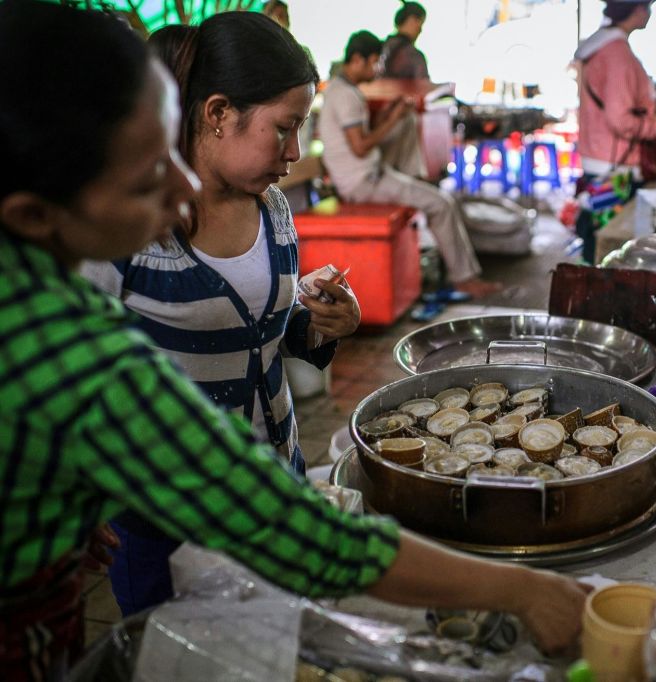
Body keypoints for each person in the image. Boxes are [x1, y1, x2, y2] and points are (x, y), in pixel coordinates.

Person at [0, 3, 588, 679]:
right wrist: (525, 589)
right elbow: (289, 531)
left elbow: (271, 332)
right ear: (34, 214)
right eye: (145, 179)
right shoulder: (77, 355)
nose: (181, 187)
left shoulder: (52, 278)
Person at [80, 11, 355, 617]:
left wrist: (322, 326)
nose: (294, 151)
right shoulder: (131, 229)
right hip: (161, 514)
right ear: (217, 113)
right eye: (284, 128)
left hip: (272, 484)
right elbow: (77, 380)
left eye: (301, 128)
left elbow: (267, 335)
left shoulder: (274, 207)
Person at [320, 31, 499, 298]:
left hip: (366, 173)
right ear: (357, 60)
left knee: (407, 120)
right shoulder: (345, 95)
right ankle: (465, 279)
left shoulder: (342, 88)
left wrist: (392, 115)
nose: (378, 68)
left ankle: (410, 179)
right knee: (442, 204)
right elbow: (360, 147)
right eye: (374, 62)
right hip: (363, 182)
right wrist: (391, 120)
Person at [572, 0, 656, 264]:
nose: (648, 14)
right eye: (647, 8)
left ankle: (591, 295)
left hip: (604, 159)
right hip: (615, 166)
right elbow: (620, 119)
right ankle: (594, 300)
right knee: (607, 247)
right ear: (635, 10)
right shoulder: (616, 54)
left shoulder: (602, 49)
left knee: (598, 240)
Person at [379, 1, 429, 80]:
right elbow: (424, 86)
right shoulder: (413, 55)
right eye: (419, 22)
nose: (420, 29)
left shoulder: (379, 49)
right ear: (411, 19)